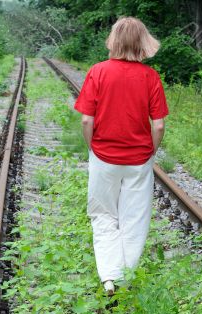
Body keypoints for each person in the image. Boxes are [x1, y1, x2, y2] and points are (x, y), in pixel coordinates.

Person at [74, 16, 169, 296]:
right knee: (134, 219)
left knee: (103, 215)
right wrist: (150, 152)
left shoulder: (98, 72)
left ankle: (109, 278)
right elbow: (159, 124)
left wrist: (93, 148)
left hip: (104, 156)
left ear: (114, 40)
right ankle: (126, 277)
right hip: (139, 160)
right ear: (142, 43)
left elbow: (85, 121)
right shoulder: (150, 76)